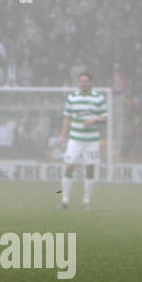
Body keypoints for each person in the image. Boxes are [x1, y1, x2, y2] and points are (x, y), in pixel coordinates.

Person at [58, 72, 107, 210]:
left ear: (90, 82)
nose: (83, 83)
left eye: (85, 81)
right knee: (68, 166)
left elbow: (105, 117)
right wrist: (62, 135)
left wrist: (95, 119)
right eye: (81, 81)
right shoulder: (72, 98)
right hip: (75, 139)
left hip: (92, 141)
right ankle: (65, 200)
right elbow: (67, 117)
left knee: (90, 169)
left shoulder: (98, 98)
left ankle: (86, 201)